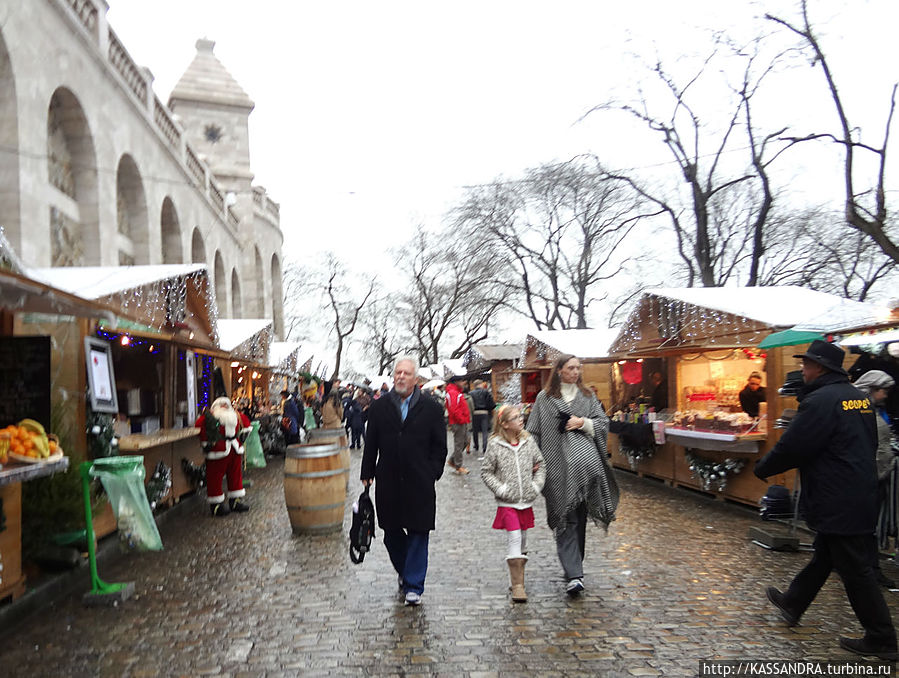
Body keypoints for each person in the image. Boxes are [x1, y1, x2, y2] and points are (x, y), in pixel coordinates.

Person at [755, 340, 897, 660]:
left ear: (820, 368)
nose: (802, 370)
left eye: (806, 364)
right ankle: (794, 602)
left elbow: (796, 444)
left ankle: (882, 638)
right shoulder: (856, 399)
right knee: (826, 554)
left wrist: (764, 467)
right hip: (856, 491)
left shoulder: (821, 401)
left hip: (838, 496)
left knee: (856, 570)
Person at [525, 354, 619, 597]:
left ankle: (574, 570)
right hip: (556, 467)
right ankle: (574, 572)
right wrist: (533, 459)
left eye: (578, 368)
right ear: (559, 370)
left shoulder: (587, 396)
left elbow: (602, 423)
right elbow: (533, 431)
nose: (575, 372)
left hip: (584, 471)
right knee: (565, 517)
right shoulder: (545, 399)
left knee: (578, 520)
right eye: (570, 368)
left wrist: (582, 422)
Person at [361, 357, 448, 606]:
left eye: (406, 373)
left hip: (419, 482)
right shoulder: (379, 408)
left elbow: (439, 446)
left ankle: (414, 585)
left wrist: (433, 472)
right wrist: (367, 473)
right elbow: (371, 444)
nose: (400, 377)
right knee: (391, 533)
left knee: (419, 532)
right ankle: (405, 571)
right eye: (397, 372)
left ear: (415, 379)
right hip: (388, 480)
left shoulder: (431, 408)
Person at [480, 404, 545, 603]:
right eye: (516, 417)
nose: (521, 420)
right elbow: (486, 471)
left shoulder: (528, 441)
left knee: (523, 539)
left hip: (526, 500)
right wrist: (501, 489)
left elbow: (541, 464)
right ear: (505, 424)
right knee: (515, 537)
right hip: (507, 502)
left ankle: (517, 576)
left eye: (520, 416)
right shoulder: (496, 445)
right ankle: (518, 586)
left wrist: (535, 486)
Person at [853, 369, 897, 588]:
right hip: (869, 480)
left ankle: (867, 569)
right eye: (884, 391)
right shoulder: (866, 413)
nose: (886, 395)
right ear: (872, 389)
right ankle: (870, 570)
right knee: (867, 527)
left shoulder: (867, 410)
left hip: (867, 478)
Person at [195, 397, 252, 517]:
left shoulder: (235, 415)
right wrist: (206, 443)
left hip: (234, 449)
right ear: (215, 407)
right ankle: (216, 505)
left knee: (235, 475)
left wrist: (243, 436)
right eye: (221, 405)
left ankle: (235, 501)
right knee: (215, 478)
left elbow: (246, 423)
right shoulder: (209, 417)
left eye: (226, 405)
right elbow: (199, 426)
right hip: (217, 451)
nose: (224, 407)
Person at [445, 377, 472, 474]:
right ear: (456, 382)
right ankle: (458, 466)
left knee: (465, 442)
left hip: (461, 421)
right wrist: (461, 419)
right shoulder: (453, 393)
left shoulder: (456, 392)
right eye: (461, 381)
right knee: (459, 443)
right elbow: (453, 409)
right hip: (458, 422)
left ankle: (453, 460)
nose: (463, 382)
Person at [470, 379, 496, 457]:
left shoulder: (471, 393)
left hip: (474, 413)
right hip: (484, 412)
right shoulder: (486, 392)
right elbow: (491, 403)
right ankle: (484, 447)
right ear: (480, 384)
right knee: (485, 431)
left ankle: (476, 445)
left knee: (475, 430)